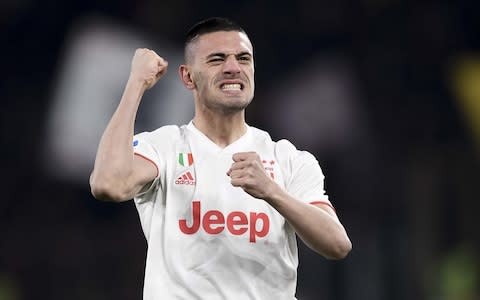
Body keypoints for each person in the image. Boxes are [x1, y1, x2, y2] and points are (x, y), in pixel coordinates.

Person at [90, 17, 352, 300]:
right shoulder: (163, 147)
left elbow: (337, 244)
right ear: (188, 77)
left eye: (243, 58)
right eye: (217, 59)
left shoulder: (288, 158)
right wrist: (136, 83)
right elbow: (108, 184)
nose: (233, 68)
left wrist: (272, 192)